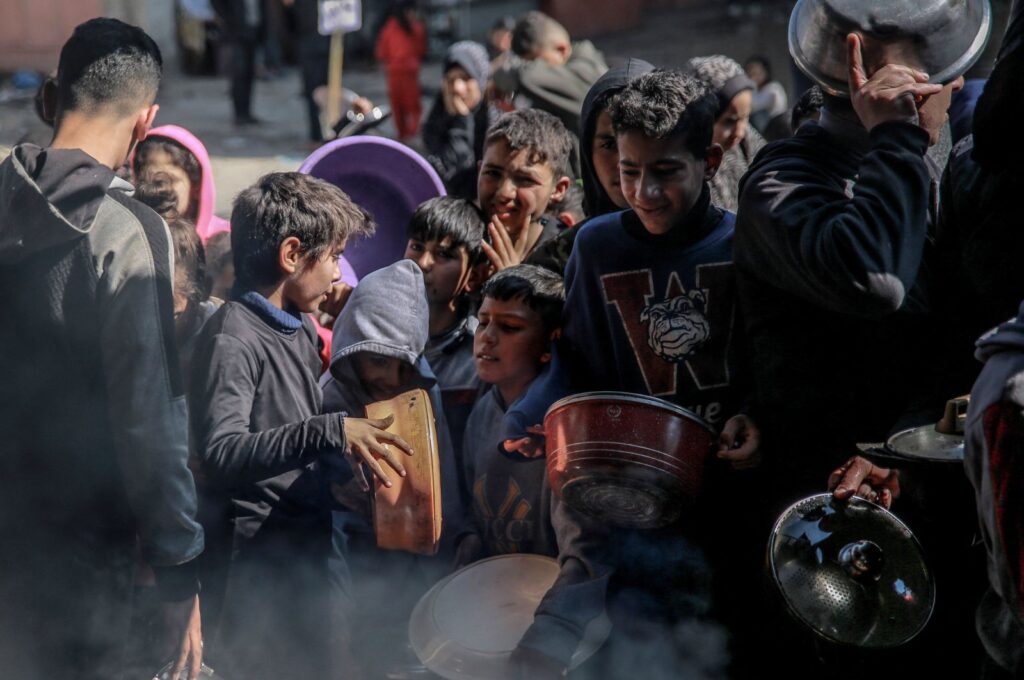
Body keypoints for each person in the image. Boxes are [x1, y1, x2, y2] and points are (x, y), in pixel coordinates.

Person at [734, 21, 977, 679]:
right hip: (823, 540)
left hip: (922, 501)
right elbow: (875, 280)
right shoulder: (782, 184)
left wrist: (902, 444)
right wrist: (895, 135)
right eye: (931, 77)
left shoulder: (936, 162)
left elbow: (958, 332)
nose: (952, 91)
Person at [509, 69, 759, 679]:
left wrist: (757, 412)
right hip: (631, 499)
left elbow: (769, 353)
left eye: (666, 172)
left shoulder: (743, 244)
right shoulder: (597, 247)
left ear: (710, 158)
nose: (644, 191)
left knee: (723, 645)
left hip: (728, 500)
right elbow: (579, 361)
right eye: (628, 171)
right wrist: (535, 413)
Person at [0, 18, 204, 680]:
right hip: (79, 559)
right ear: (146, 122)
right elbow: (150, 418)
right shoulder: (127, 231)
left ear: (52, 97)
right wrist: (180, 568)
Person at [189, 171, 407, 680]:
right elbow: (223, 453)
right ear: (292, 256)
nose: (338, 274)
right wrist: (330, 431)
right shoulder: (234, 339)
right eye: (332, 257)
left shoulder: (301, 329)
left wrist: (339, 475)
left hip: (303, 554)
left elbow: (289, 429)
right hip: (253, 572)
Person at [319, 259, 466, 678]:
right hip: (353, 562)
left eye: (404, 363)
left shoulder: (418, 386)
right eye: (380, 362)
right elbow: (331, 523)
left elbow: (444, 479)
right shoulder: (331, 401)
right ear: (352, 348)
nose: (393, 376)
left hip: (418, 560)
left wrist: (454, 538)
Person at [454, 265, 564, 567]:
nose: (487, 337)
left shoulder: (562, 424)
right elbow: (474, 509)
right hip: (496, 590)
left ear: (549, 344)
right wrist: (470, 537)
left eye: (509, 327)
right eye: (483, 322)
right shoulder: (482, 412)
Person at [526, 58, 655, 277]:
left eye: (640, 141)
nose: (624, 161)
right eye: (609, 145)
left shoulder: (717, 244)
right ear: (588, 151)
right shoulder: (561, 260)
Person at [403, 196, 487, 477]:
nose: (423, 263)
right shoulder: (380, 336)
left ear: (473, 277)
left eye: (444, 255)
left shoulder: (480, 351)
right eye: (416, 247)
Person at [476, 108, 573, 272]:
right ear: (479, 171)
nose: (504, 193)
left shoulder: (573, 259)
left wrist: (511, 282)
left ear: (558, 189)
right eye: (493, 173)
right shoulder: (459, 243)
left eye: (525, 179)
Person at [491, 11, 608, 134]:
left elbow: (524, 76)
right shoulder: (567, 70)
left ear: (561, 50)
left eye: (535, 63)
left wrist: (500, 73)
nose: (533, 67)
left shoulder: (584, 73)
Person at [687, 54, 764, 212]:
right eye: (729, 121)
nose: (740, 131)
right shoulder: (689, 168)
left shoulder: (747, 144)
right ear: (703, 119)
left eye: (745, 118)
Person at [423, 41, 497, 199]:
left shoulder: (498, 123)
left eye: (465, 78)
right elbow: (446, 172)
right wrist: (461, 122)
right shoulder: (436, 121)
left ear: (481, 80)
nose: (457, 88)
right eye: (450, 80)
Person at [133, 124, 231, 243]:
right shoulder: (132, 240)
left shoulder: (223, 242)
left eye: (170, 180)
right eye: (149, 180)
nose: (160, 190)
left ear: (196, 187)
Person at [375, 0, 427, 141]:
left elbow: (381, 54)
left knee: (398, 108)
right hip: (409, 74)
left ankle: (403, 136)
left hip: (394, 74)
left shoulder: (387, 29)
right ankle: (410, 135)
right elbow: (421, 50)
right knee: (413, 108)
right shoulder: (416, 28)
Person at [211, 0, 263, 125]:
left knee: (249, 74)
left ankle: (247, 112)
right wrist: (229, 20)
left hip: (253, 31)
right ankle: (239, 114)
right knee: (239, 72)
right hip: (236, 33)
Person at [744, 55, 790, 139]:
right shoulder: (755, 90)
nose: (754, 77)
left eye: (758, 73)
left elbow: (752, 106)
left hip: (777, 127)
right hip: (764, 127)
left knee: (758, 115)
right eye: (751, 73)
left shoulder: (773, 88)